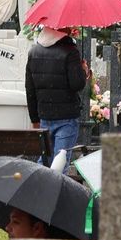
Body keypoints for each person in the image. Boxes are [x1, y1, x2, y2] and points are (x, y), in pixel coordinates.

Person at [25, 26, 88, 164]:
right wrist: (84, 72)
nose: (72, 28)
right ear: (63, 29)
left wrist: (34, 119)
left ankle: (38, 185)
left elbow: (30, 89)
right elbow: (77, 84)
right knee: (60, 163)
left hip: (44, 116)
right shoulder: (70, 51)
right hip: (66, 117)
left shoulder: (34, 52)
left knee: (45, 163)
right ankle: (54, 186)